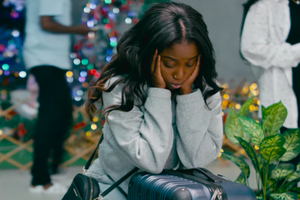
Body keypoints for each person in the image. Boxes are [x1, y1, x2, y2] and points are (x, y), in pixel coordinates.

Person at [84, 2, 223, 199]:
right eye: (169, 63)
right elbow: (151, 161)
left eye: (190, 63)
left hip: (175, 192)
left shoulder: (206, 90)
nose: (180, 74)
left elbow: (196, 159)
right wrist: (158, 93)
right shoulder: (121, 88)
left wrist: (188, 96)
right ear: (148, 53)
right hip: (118, 189)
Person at [23, 0, 90, 194]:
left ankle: (52, 169)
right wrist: (77, 29)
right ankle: (39, 179)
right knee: (50, 115)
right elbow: (46, 23)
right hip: (44, 57)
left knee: (62, 113)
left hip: (52, 59)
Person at [241, 0, 300, 166]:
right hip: (284, 96)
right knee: (286, 165)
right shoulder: (265, 6)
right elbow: (250, 49)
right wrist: (296, 52)